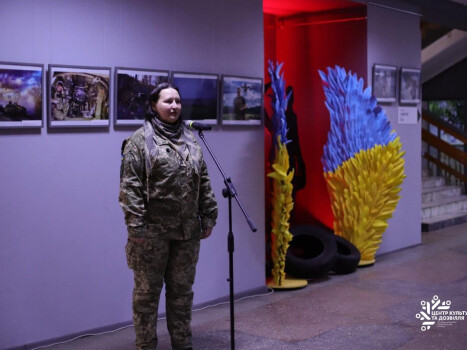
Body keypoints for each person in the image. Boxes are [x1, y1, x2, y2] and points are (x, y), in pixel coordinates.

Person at [119, 82, 218, 350]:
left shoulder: (190, 139)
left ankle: (183, 344)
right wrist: (136, 228)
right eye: (167, 101)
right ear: (153, 105)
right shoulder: (140, 141)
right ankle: (146, 345)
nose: (174, 106)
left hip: (186, 233)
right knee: (146, 297)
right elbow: (130, 188)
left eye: (177, 101)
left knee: (182, 294)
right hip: (151, 235)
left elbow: (204, 180)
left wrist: (208, 214)